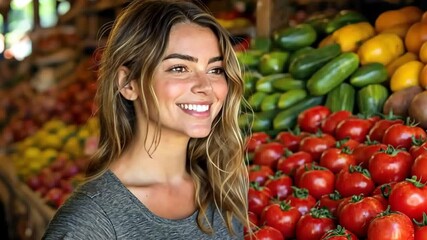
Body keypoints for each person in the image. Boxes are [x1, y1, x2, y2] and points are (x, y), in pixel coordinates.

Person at [42, 0, 250, 239]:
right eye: (179, 68)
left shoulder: (225, 191)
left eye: (215, 70)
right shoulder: (89, 223)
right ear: (128, 83)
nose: (206, 87)